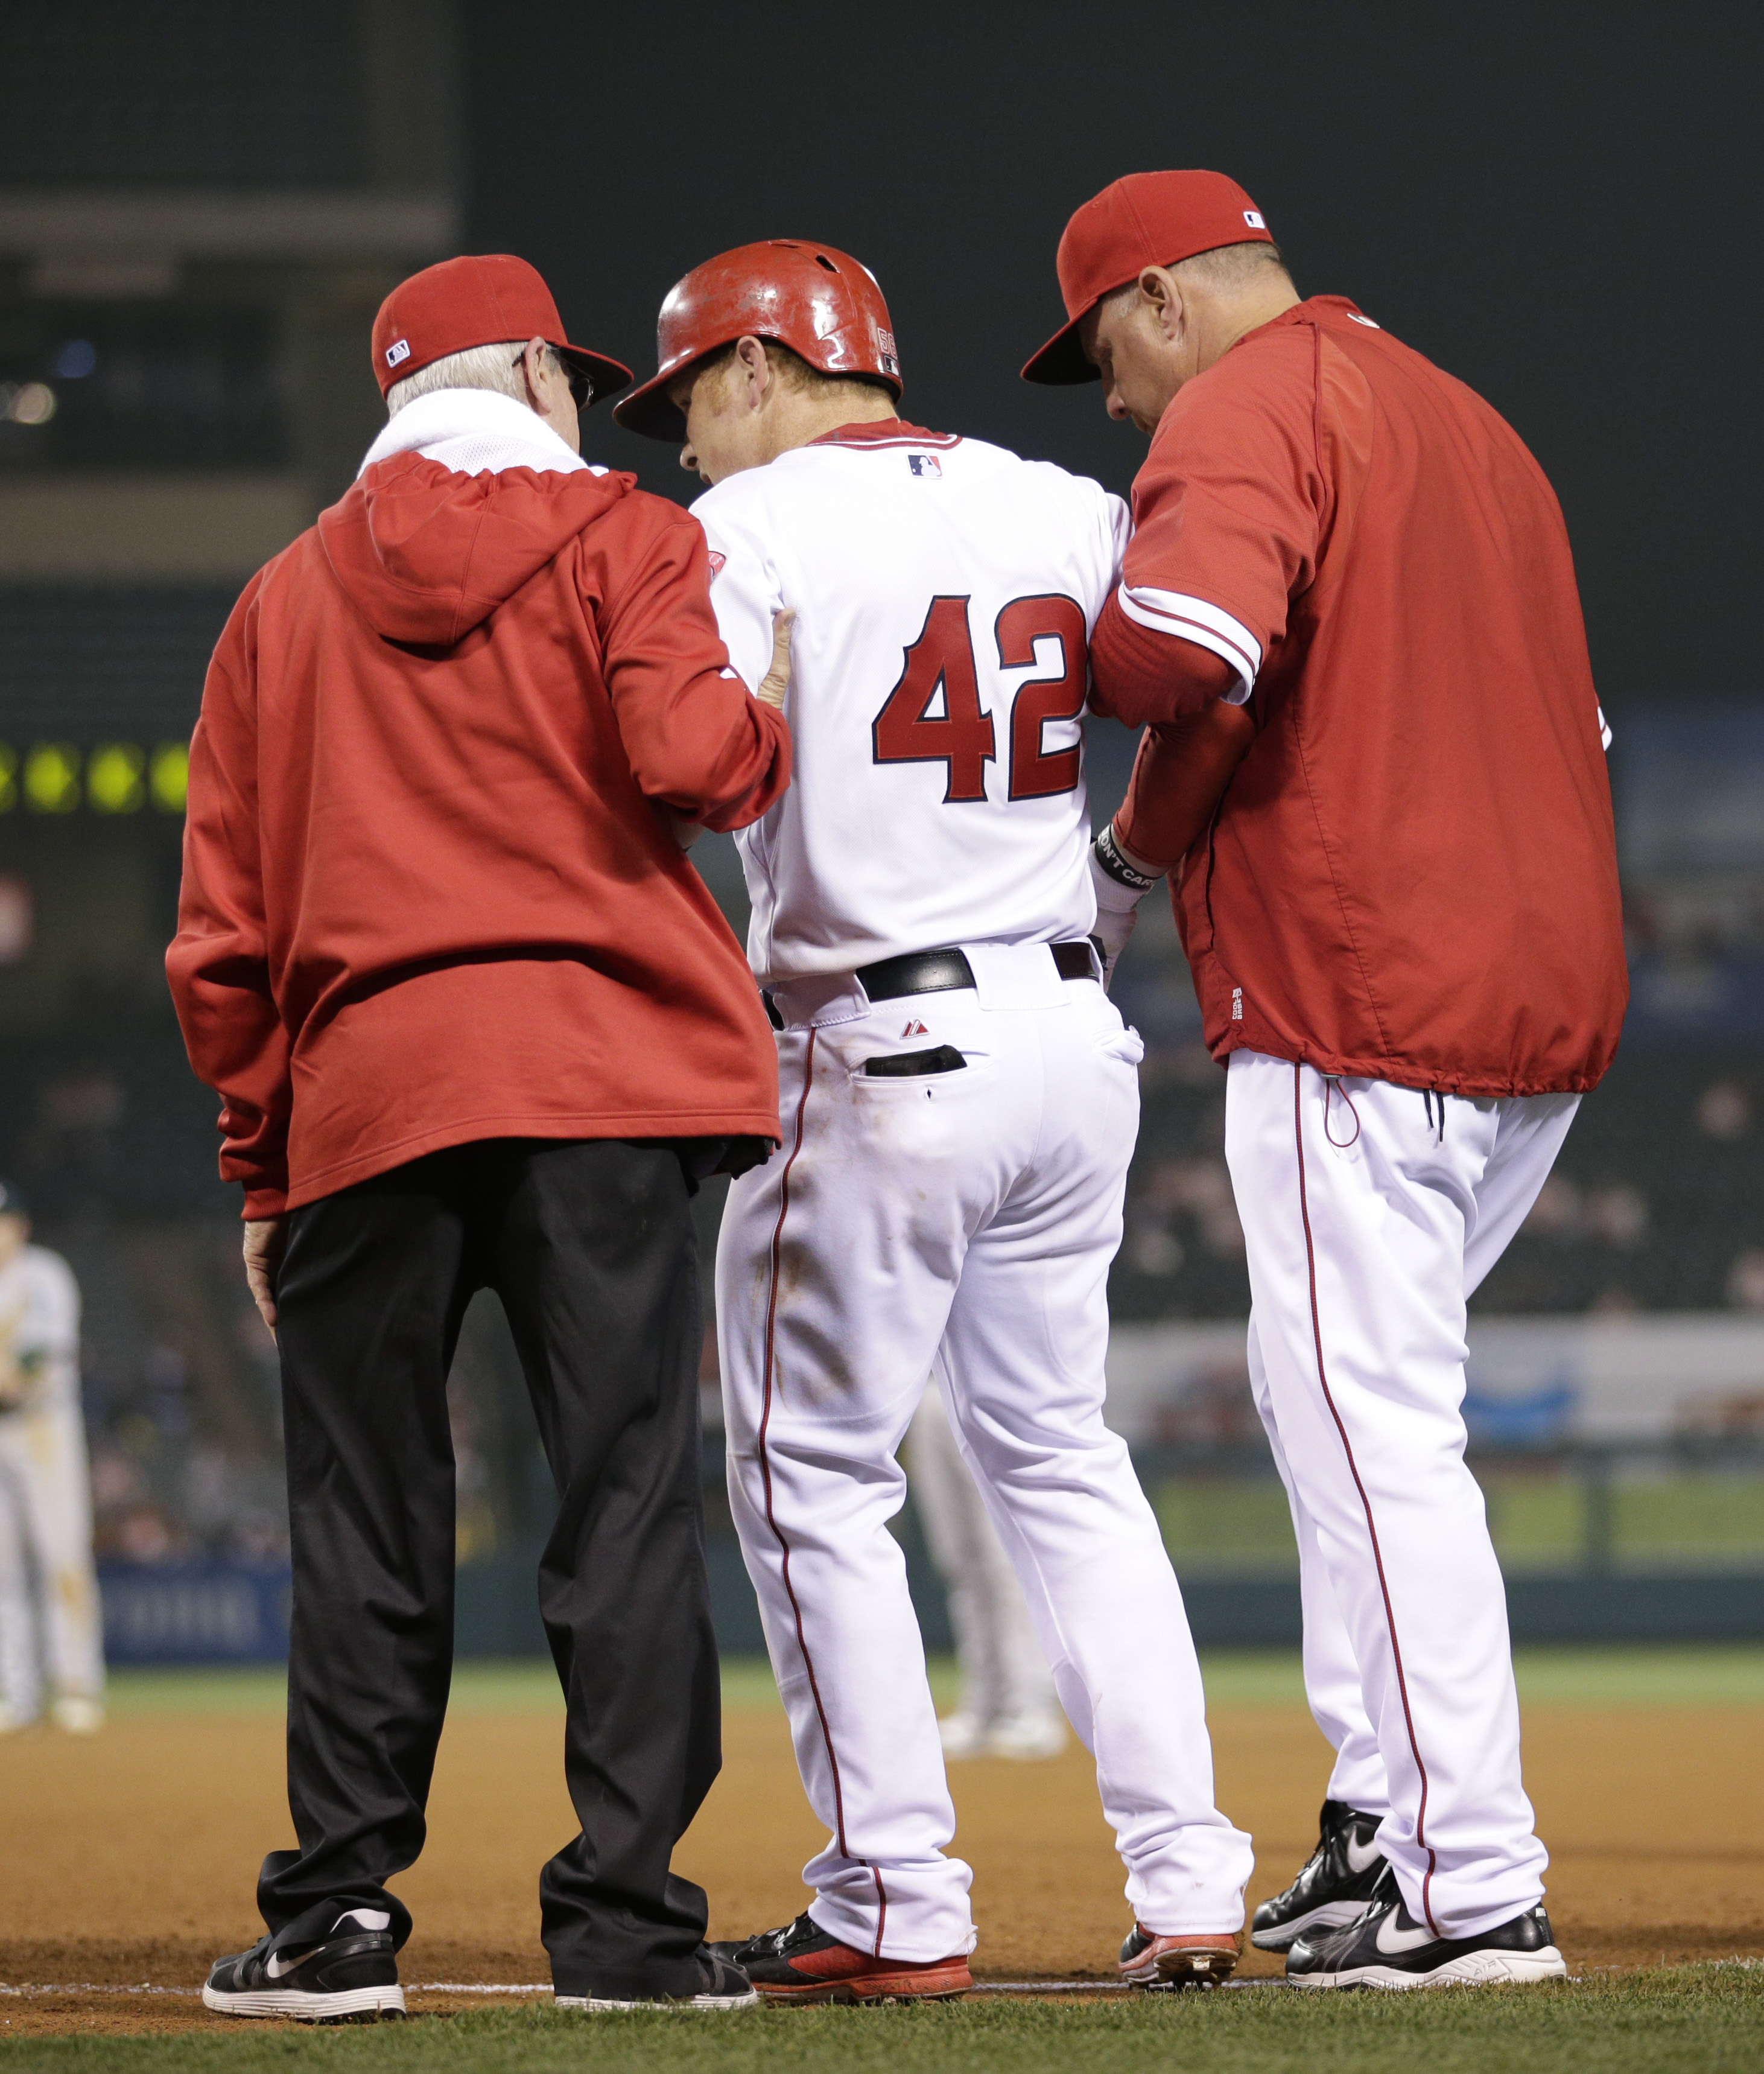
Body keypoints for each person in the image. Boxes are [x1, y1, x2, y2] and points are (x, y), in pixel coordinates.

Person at [613, 240, 1254, 2002]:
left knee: (807, 1476)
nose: (682, 440)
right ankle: (1190, 1871)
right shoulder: (1059, 504)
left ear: (758, 365)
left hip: (874, 1039)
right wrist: (1123, 868)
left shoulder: (739, 531)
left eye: (686, 399)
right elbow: (1206, 690)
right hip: (1068, 1031)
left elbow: (680, 766)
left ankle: (891, 1892)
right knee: (1060, 1455)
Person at [167, 253, 794, 2022]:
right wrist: (766, 700)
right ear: (525, 373)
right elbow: (698, 763)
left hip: (369, 1095)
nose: (583, 401)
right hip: (608, 1081)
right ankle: (625, 1929)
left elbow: (221, 937)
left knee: (365, 1510)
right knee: (620, 1498)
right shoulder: (628, 537)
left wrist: (262, 1164)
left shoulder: (275, 604)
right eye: (570, 375)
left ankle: (335, 1918)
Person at [1024, 170, 1626, 1989]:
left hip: (1361, 982)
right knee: (1344, 1425)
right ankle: (1378, 1821)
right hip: (1537, 998)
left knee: (1367, 1431)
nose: (1113, 399)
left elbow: (1182, 653)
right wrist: (1131, 859)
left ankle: (1469, 1880)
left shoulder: (1243, 403)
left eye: (1103, 352)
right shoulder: (1469, 425)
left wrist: (1049, 622)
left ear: (1165, 296)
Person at [905, 1389, 1065, 1761]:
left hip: (989, 1388)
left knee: (1006, 1564)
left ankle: (1033, 1705)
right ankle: (985, 1704)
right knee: (960, 1563)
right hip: (922, 1391)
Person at [0, 1180, 104, 1737]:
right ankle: (16, 1692)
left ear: (21, 1225)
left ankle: (76, 1684)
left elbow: (39, 1360)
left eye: (3, 1222)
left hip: (45, 1428)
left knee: (61, 1555)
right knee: (3, 1569)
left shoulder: (43, 1275)